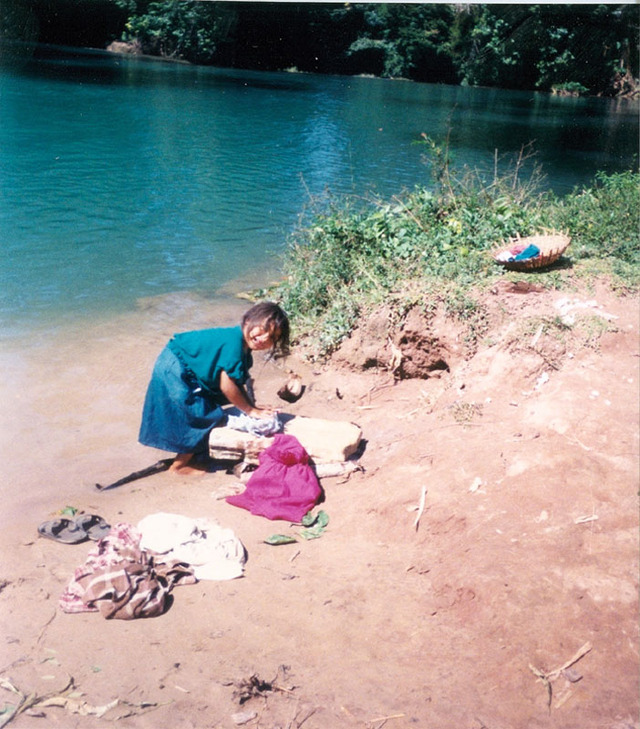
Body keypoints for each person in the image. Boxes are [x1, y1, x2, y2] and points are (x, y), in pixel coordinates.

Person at [139, 301, 290, 475]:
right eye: (262, 330)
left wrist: (253, 407)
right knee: (201, 416)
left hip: (178, 363)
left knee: (205, 409)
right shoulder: (233, 344)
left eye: (272, 337)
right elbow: (226, 385)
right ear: (247, 321)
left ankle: (191, 452)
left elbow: (236, 382)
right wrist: (250, 410)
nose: (264, 338)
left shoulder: (240, 345)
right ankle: (179, 466)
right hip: (174, 368)